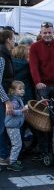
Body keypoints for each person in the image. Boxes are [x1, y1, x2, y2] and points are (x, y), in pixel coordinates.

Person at [29, 22, 54, 157]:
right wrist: (38, 82)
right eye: (44, 32)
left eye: (49, 32)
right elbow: (34, 66)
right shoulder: (35, 47)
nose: (47, 34)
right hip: (43, 86)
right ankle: (44, 149)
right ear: (41, 33)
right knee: (43, 118)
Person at [0, 28, 16, 167]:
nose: (14, 41)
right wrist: (6, 101)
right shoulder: (1, 56)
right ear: (8, 39)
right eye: (13, 38)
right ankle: (2, 156)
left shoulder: (5, 54)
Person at [4, 81, 27, 171]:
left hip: (14, 125)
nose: (23, 91)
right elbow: (11, 112)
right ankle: (12, 163)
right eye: (20, 89)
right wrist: (23, 110)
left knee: (17, 144)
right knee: (17, 144)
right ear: (13, 90)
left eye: (23, 89)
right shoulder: (14, 100)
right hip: (12, 126)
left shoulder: (17, 98)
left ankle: (13, 160)